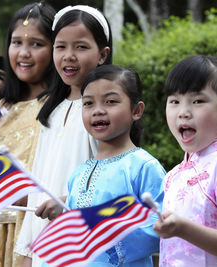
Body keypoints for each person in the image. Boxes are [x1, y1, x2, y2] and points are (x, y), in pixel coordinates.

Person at [15, 5, 113, 266]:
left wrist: (67, 201)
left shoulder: (105, 115)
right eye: (61, 47)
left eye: (80, 47)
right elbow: (38, 185)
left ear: (103, 54)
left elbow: (113, 183)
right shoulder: (52, 112)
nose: (69, 56)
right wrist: (27, 253)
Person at [0, 3, 56, 267]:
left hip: (36, 229)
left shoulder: (60, 105)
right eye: (16, 42)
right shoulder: (0, 110)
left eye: (36, 44)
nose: (23, 53)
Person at [153, 55, 217, 266]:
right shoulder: (173, 175)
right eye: (174, 101)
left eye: (197, 101)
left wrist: (183, 228)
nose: (183, 113)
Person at [60, 65, 164, 266]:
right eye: (88, 103)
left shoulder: (144, 167)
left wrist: (106, 237)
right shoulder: (78, 174)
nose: (98, 110)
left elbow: (158, 228)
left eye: (110, 101)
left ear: (136, 110)